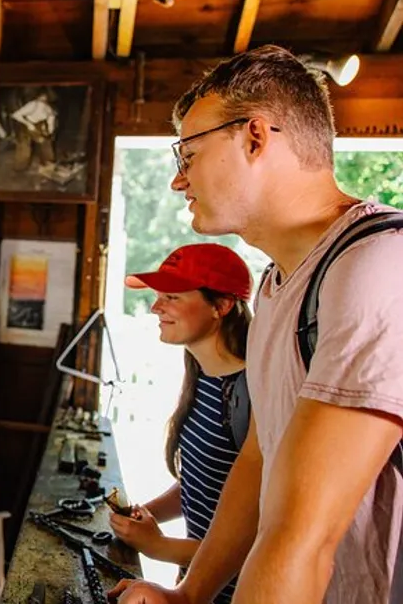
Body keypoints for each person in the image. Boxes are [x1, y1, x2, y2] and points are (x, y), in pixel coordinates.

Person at [110, 45, 403, 604]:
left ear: (255, 137)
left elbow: (301, 536)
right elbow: (260, 457)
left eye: (188, 155)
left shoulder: (374, 265)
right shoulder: (277, 286)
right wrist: (191, 593)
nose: (178, 181)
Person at [110, 243, 253, 604]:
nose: (156, 307)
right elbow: (202, 482)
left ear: (220, 306)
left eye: (171, 296)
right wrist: (147, 515)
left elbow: (259, 538)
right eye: (158, 296)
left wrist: (159, 547)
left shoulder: (255, 396)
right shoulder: (203, 377)